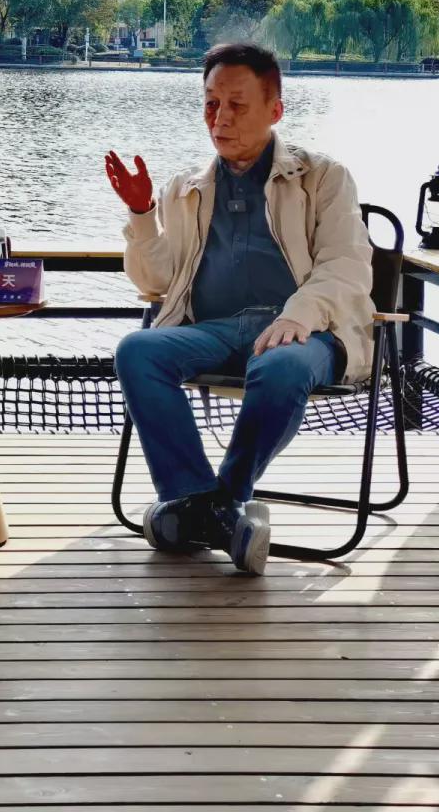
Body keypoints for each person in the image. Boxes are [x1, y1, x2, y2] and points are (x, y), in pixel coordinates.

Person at [105, 41, 373, 575]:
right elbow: (157, 281)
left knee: (281, 364)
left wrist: (297, 315)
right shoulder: (185, 188)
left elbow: (345, 265)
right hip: (215, 330)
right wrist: (141, 213)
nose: (220, 118)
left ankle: (218, 501)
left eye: (236, 105)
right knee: (137, 349)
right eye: (211, 104)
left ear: (275, 110)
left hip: (308, 332)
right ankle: (208, 505)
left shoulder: (324, 177)